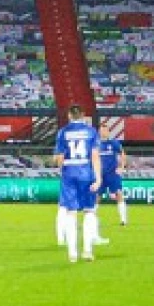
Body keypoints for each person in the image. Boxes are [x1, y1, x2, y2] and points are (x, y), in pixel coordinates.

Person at [54, 105, 104, 262]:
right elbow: (95, 156)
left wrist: (60, 166)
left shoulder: (63, 132)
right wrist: (98, 177)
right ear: (82, 115)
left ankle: (72, 253)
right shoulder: (91, 132)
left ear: (69, 115)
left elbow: (59, 158)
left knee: (70, 213)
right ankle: (87, 251)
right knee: (89, 211)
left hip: (69, 173)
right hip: (87, 173)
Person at [97, 125, 129, 230]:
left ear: (108, 131)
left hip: (112, 174)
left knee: (119, 194)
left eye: (105, 130)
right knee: (96, 197)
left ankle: (123, 220)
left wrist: (122, 167)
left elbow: (123, 154)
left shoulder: (114, 143)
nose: (103, 132)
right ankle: (93, 220)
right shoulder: (96, 144)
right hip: (100, 175)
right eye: (101, 130)